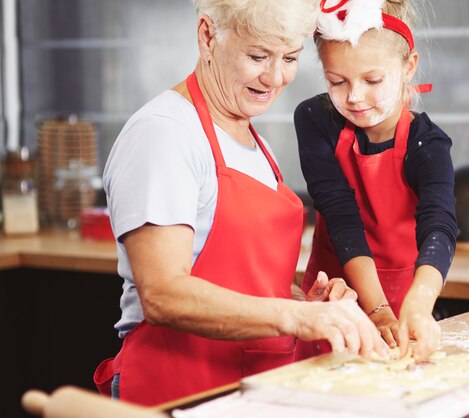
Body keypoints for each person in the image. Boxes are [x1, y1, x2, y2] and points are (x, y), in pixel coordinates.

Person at [93, 0, 388, 407]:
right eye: (257, 55)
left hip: (248, 391)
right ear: (207, 36)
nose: (275, 77)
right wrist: (296, 318)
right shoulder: (164, 134)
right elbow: (163, 294)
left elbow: (241, 280)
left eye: (290, 57)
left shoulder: (256, 144)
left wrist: (303, 303)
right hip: (177, 390)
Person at [295, 0, 457, 361]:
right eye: (337, 81)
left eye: (372, 80)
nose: (354, 96)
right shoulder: (315, 119)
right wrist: (374, 308)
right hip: (331, 304)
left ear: (408, 67)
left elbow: (439, 225)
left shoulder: (426, 144)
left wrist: (419, 301)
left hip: (403, 306)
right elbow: (341, 217)